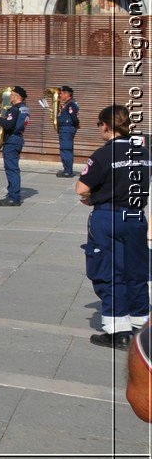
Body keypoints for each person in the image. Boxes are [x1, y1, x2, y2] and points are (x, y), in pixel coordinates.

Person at [77, 105, 148, 348]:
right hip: (136, 216)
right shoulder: (143, 151)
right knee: (137, 273)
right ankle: (141, 326)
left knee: (109, 272)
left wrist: (94, 196)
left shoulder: (103, 154)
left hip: (110, 217)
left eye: (99, 124)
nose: (99, 129)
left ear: (106, 126)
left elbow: (82, 188)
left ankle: (118, 332)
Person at [0, 86, 29, 207]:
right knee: (13, 168)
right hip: (18, 139)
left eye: (12, 95)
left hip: (12, 140)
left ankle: (13, 197)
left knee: (11, 169)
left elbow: (9, 125)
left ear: (17, 97)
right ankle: (12, 195)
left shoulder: (15, 109)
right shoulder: (24, 108)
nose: (10, 97)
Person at [56, 86, 81, 178]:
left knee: (66, 149)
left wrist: (76, 125)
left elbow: (74, 117)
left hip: (67, 129)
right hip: (65, 129)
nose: (60, 95)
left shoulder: (71, 104)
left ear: (67, 94)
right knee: (65, 149)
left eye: (61, 93)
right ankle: (67, 169)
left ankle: (68, 171)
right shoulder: (68, 103)